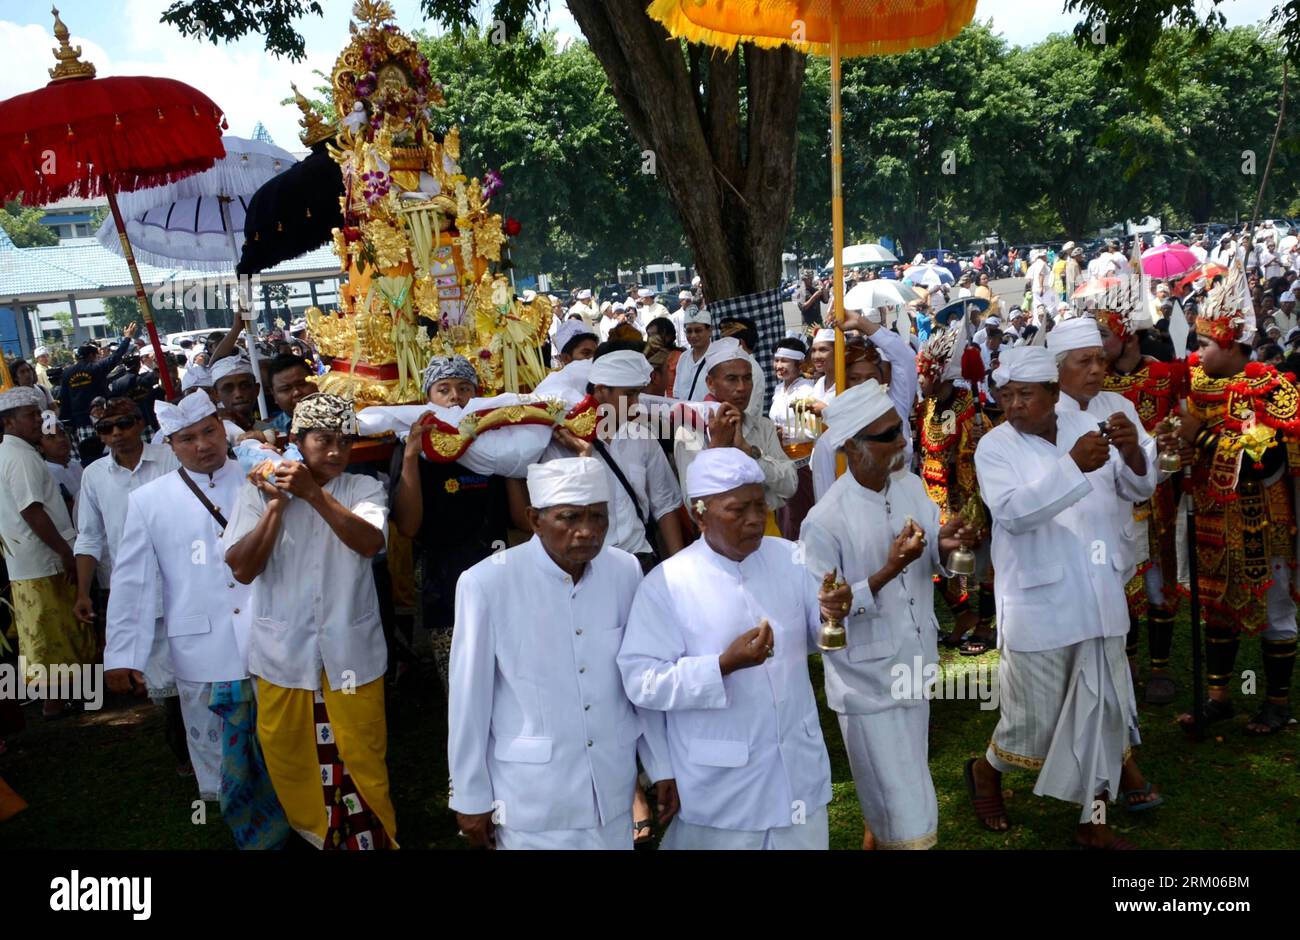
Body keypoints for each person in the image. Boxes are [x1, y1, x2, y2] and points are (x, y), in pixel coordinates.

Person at [966, 346, 1156, 848]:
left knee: (1102, 716)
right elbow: (1012, 513)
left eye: (1025, 395)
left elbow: (1135, 488)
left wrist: (1134, 451)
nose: (1013, 406)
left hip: (1098, 596)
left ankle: (1093, 823)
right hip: (1039, 605)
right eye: (1006, 396)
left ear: (1053, 394)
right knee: (1033, 723)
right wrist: (1071, 467)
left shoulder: (1083, 428)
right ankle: (987, 772)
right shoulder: (995, 447)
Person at [618, 447, 842, 849]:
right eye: (738, 510)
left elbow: (816, 635)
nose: (755, 520)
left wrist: (831, 615)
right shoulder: (668, 583)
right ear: (699, 514)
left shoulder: (789, 557)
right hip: (722, 788)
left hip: (797, 770)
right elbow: (642, 681)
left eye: (760, 505)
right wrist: (721, 666)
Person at [448, 456, 676, 849]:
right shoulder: (487, 582)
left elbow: (637, 675)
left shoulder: (624, 570)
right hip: (532, 799)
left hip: (612, 788)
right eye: (569, 518)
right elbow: (469, 698)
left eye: (598, 517)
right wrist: (470, 796)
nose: (587, 531)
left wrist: (661, 766)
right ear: (535, 519)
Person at [104, 393, 287, 849]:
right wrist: (122, 655)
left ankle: (298, 820)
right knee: (222, 754)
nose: (202, 445)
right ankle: (250, 832)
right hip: (201, 649)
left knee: (283, 742)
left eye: (209, 431)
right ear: (170, 443)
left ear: (222, 428)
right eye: (187, 438)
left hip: (273, 636)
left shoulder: (263, 478)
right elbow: (134, 584)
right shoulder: (149, 501)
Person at [802, 380, 978, 849]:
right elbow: (819, 617)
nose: (902, 441)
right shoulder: (824, 521)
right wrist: (887, 570)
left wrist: (948, 542)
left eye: (899, 430)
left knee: (895, 800)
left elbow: (934, 555)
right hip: (867, 686)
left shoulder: (911, 485)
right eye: (887, 436)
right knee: (908, 815)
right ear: (853, 447)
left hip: (915, 667)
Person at [225, 392, 394, 850]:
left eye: (345, 442)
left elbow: (368, 543)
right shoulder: (256, 491)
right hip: (283, 656)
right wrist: (278, 505)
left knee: (362, 755)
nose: (337, 452)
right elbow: (242, 568)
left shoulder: (364, 489)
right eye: (323, 441)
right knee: (291, 758)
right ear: (297, 441)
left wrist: (313, 495)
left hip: (351, 654)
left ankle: (369, 841)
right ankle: (313, 837)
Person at [1161, 264, 1300, 735]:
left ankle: (1277, 703)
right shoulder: (1197, 387)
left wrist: (1199, 440)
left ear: (1233, 343)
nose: (1197, 356)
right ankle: (1220, 697)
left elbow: (1264, 461)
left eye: (1204, 345)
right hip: (1210, 511)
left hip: (1263, 516)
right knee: (1215, 602)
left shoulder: (1271, 388)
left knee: (1276, 606)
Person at [72, 397, 184, 769]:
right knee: (165, 683)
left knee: (199, 670)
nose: (117, 433)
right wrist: (84, 592)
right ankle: (186, 752)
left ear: (140, 424)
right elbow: (89, 537)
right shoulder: (94, 476)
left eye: (123, 424)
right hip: (137, 590)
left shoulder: (171, 458)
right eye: (107, 428)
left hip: (186, 581)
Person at [389, 355, 509, 693]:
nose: (455, 397)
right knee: (461, 688)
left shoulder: (494, 442)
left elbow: (517, 516)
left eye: (464, 388)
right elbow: (409, 528)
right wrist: (412, 456)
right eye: (444, 389)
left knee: (508, 681)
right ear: (429, 399)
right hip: (444, 584)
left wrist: (511, 455)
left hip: (497, 571)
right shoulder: (411, 448)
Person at [1095, 305, 1188, 704]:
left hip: (1159, 492)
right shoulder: (1096, 388)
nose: (1097, 348)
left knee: (1157, 582)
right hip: (1115, 496)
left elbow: (1183, 424)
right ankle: (1128, 662)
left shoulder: (1164, 375)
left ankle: (1161, 667)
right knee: (1122, 579)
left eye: (1103, 337)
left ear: (1127, 336)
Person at [0, 386, 94, 718]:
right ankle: (57, 701)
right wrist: (64, 552)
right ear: (9, 422)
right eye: (30, 415)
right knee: (52, 632)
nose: (39, 420)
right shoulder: (20, 456)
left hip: (29, 558)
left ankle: (65, 697)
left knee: (46, 631)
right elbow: (32, 511)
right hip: (41, 558)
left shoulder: (15, 452)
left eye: (38, 413)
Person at [543, 349, 684, 570]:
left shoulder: (643, 438)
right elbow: (559, 516)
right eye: (628, 395)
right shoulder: (562, 444)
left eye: (637, 394)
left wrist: (679, 568)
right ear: (601, 391)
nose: (635, 403)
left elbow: (665, 505)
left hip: (640, 559)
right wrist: (583, 458)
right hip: (588, 566)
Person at [915, 328, 997, 654]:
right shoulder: (927, 408)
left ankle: (985, 626)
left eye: (924, 373)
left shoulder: (969, 409)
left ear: (940, 373)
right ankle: (963, 616)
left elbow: (977, 458)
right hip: (931, 498)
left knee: (980, 567)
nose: (919, 380)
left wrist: (975, 443)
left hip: (966, 498)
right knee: (932, 564)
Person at [674, 337, 797, 515]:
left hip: (768, 532)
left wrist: (751, 453)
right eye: (731, 379)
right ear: (710, 383)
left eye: (747, 378)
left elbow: (790, 486)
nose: (742, 387)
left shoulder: (763, 426)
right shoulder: (691, 433)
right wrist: (719, 448)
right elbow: (697, 507)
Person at [58, 322, 138, 441]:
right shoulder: (97, 368)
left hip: (81, 424)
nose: (98, 358)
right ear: (91, 355)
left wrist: (67, 422)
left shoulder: (67, 373)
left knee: (90, 455)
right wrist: (127, 338)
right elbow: (116, 357)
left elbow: (64, 399)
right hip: (103, 421)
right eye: (96, 356)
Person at [211, 354, 265, 442]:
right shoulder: (213, 438)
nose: (238, 394)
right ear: (215, 395)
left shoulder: (272, 430)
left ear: (256, 389)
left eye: (245, 386)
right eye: (228, 389)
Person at [264, 354, 317, 435]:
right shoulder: (269, 433)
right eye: (286, 389)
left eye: (302, 384)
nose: (297, 392)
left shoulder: (339, 419)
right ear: (274, 395)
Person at [670, 306, 714, 402]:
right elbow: (677, 393)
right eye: (689, 331)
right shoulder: (683, 357)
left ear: (710, 331)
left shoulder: (718, 357)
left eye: (698, 330)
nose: (693, 335)